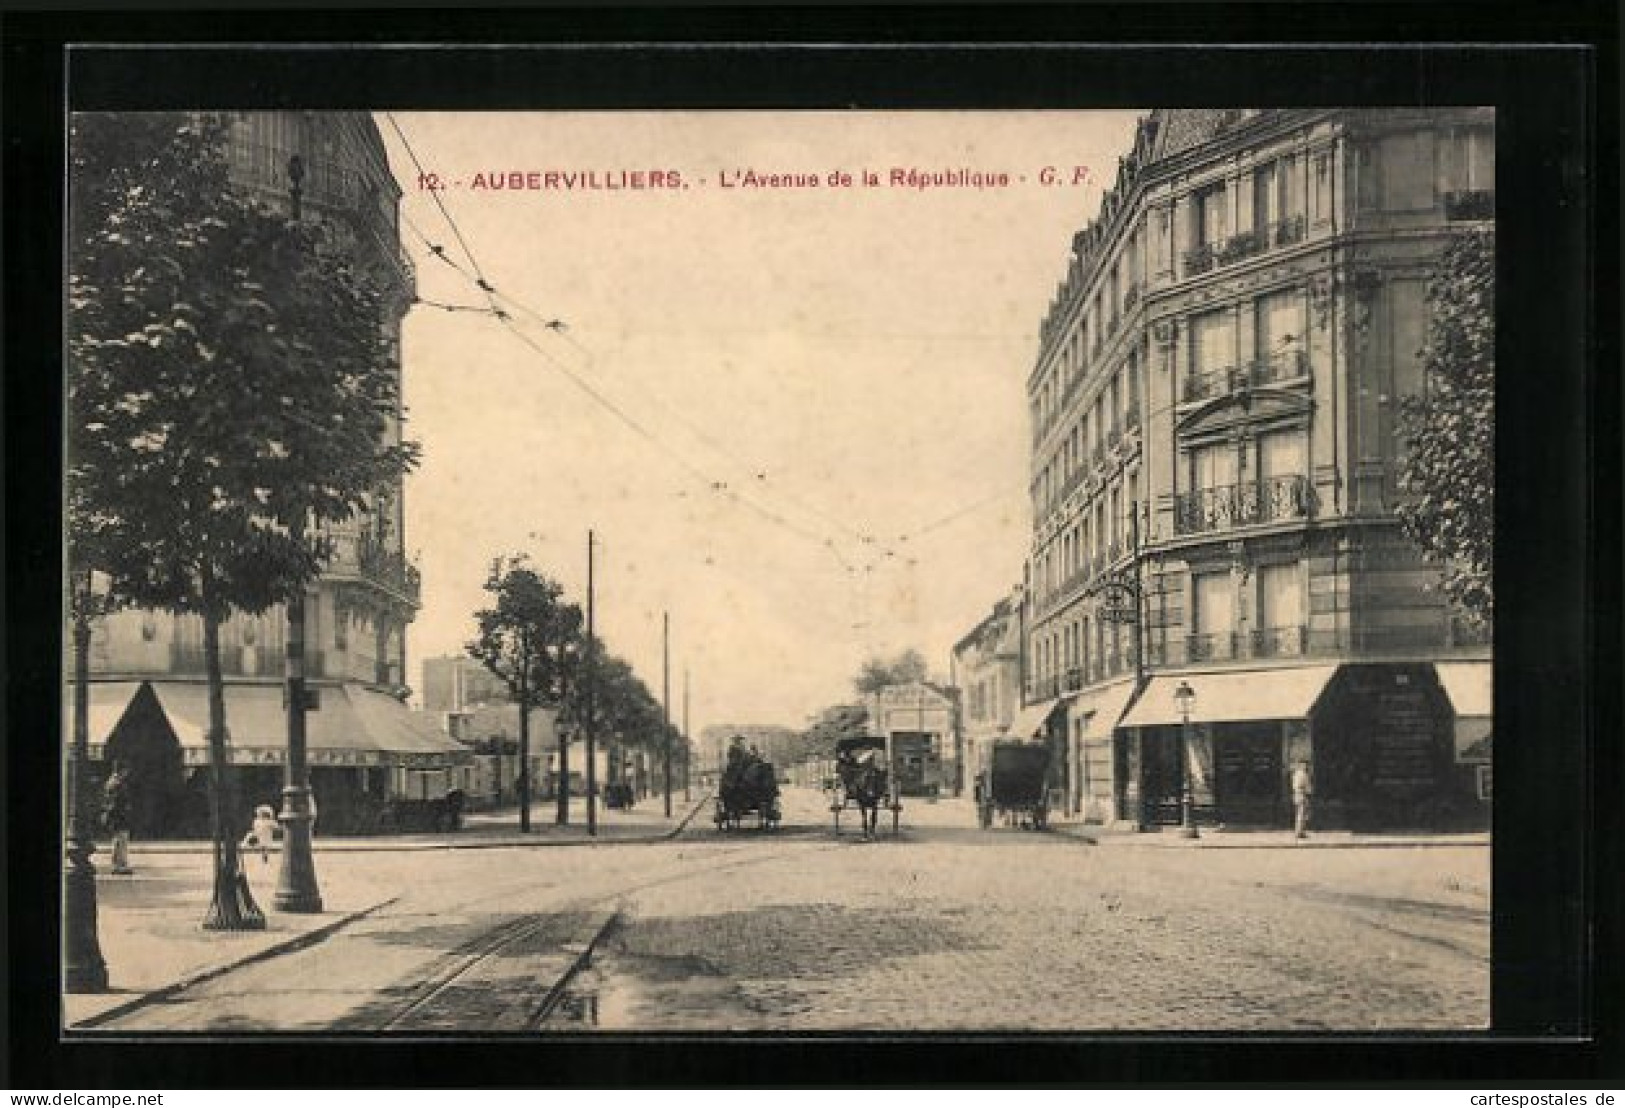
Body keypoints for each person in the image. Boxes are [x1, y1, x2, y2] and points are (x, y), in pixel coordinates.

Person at [101, 763, 133, 875]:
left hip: (117, 815)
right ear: (121, 770)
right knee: (120, 840)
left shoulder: (113, 782)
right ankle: (119, 865)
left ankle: (119, 864)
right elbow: (115, 802)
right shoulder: (116, 784)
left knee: (119, 839)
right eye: (126, 771)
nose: (127, 773)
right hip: (118, 815)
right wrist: (125, 809)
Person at [1290, 759, 1314, 839]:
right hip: (1301, 795)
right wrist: (1308, 791)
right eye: (1304, 765)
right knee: (1301, 814)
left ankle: (1301, 831)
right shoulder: (1302, 774)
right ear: (1301, 765)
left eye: (1306, 765)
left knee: (1302, 814)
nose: (1306, 766)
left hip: (1299, 795)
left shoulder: (1297, 773)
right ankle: (1299, 832)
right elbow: (1302, 786)